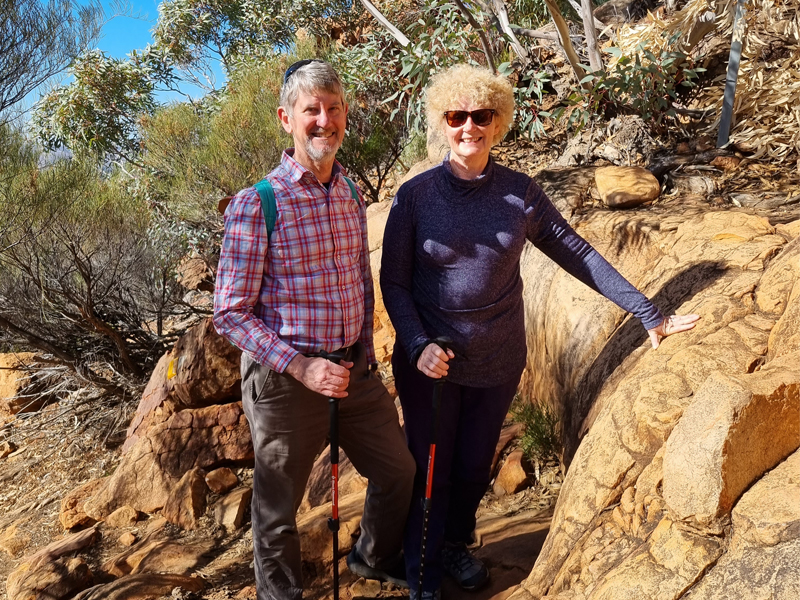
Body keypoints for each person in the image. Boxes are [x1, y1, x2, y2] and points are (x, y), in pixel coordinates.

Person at [380, 64, 700, 600]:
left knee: (473, 465)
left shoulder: (519, 193)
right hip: (431, 363)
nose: (469, 127)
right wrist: (416, 343)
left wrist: (649, 312)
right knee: (431, 472)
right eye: (456, 116)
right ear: (442, 121)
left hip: (498, 359)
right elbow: (393, 281)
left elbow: (576, 252)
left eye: (481, 116)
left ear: (498, 122)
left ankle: (455, 545)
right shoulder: (415, 197)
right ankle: (423, 576)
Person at [213, 59, 414, 600]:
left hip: (353, 371)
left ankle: (372, 556)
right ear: (287, 119)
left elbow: (358, 280)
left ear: (345, 114)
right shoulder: (257, 204)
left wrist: (365, 355)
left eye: (333, 108)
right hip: (285, 380)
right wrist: (301, 366)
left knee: (398, 470)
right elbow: (229, 312)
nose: (324, 120)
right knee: (277, 510)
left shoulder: (348, 192)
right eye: (311, 110)